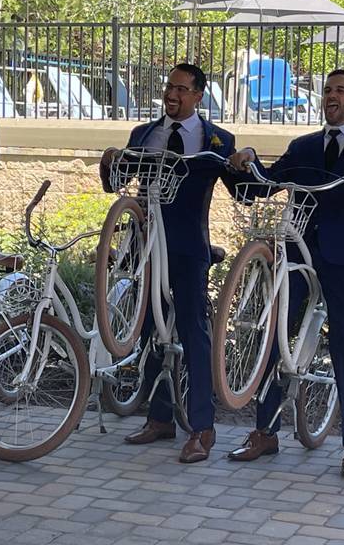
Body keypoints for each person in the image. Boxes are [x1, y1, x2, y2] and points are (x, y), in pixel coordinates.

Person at [229, 69, 344, 477]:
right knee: (275, 335)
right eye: (327, 90)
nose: (331, 96)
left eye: (339, 90)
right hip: (298, 253)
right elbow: (263, 184)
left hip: (343, 259)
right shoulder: (303, 146)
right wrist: (245, 162)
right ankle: (265, 431)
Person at [99, 63, 240, 464]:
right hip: (144, 245)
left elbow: (242, 191)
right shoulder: (144, 133)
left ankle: (202, 427)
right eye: (168, 88)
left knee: (193, 333)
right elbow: (115, 184)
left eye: (181, 89)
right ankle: (159, 417)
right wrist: (110, 160)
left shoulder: (216, 138)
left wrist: (244, 161)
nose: (171, 95)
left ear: (198, 95)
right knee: (149, 331)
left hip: (187, 246)